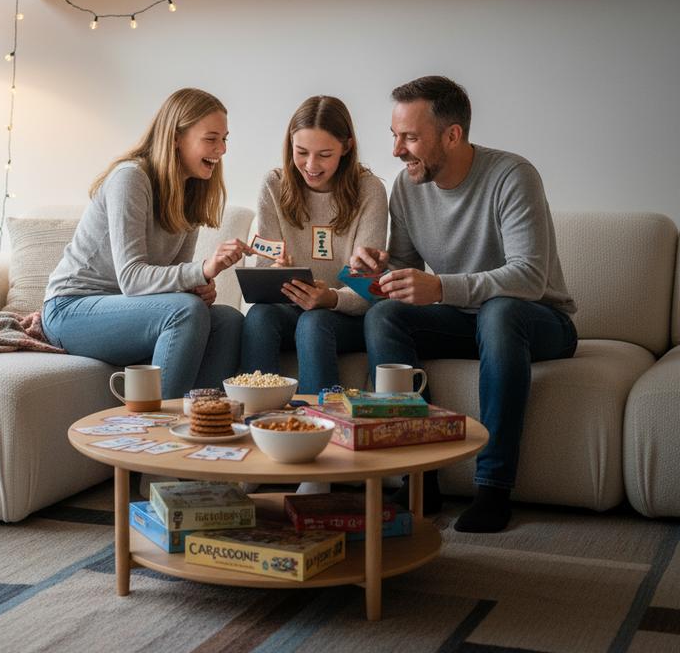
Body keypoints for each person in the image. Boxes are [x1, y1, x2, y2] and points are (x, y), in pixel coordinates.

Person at [354, 75, 577, 533]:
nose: (397, 150)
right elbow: (404, 269)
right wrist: (376, 271)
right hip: (466, 321)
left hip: (540, 321)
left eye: (410, 138)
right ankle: (419, 477)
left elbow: (529, 279)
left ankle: (494, 488)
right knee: (385, 315)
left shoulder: (512, 176)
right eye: (394, 136)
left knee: (501, 311)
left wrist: (439, 289)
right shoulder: (407, 185)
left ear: (452, 135)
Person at [42, 87, 247, 401]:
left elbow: (169, 280)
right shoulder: (131, 178)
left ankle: (203, 423)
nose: (222, 149)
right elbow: (133, 279)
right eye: (211, 138)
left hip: (130, 309)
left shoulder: (191, 191)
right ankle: (157, 433)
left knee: (228, 320)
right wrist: (201, 271)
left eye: (225, 139)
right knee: (186, 312)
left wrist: (197, 285)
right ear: (176, 137)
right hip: (71, 309)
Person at [240, 96, 387, 496]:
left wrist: (331, 298)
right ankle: (257, 447)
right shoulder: (274, 184)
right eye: (301, 152)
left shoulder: (370, 190)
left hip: (342, 315)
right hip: (288, 308)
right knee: (259, 319)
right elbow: (254, 275)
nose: (311, 165)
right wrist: (271, 269)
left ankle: (321, 460)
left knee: (315, 319)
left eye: (324, 154)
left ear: (347, 147)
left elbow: (369, 288)